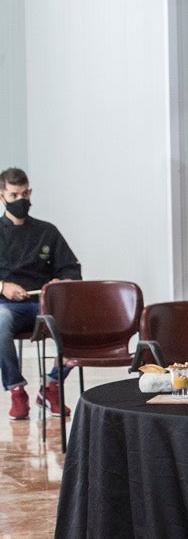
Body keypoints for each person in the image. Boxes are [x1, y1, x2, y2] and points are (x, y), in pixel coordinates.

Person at [0, 168, 82, 419]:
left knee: (79, 322)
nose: (21, 201)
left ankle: (51, 386)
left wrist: (59, 282)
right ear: (2, 196)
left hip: (44, 306)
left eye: (25, 194)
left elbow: (72, 269)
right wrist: (4, 287)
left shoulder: (47, 231)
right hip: (7, 307)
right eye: (14, 195)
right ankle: (17, 390)